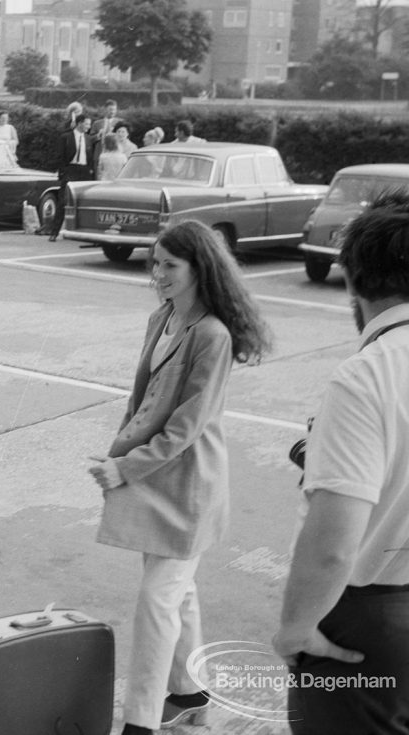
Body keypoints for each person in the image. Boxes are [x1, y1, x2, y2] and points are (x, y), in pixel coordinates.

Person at [89, 220, 270, 735]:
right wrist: (121, 449)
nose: (159, 273)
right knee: (178, 591)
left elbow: (185, 430)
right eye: (156, 262)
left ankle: (141, 721)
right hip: (156, 479)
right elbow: (142, 400)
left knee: (157, 600)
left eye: (171, 264)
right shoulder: (162, 318)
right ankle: (190, 692)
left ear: (199, 268)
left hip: (189, 486)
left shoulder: (211, 335)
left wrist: (122, 467)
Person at [273, 191, 409, 734]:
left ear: (352, 280)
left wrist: (295, 627)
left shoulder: (368, 374)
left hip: (371, 619)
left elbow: (333, 545)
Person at [47, 113, 94, 241]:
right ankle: (54, 232)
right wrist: (63, 172)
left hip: (84, 171)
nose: (88, 127)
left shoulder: (89, 139)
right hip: (70, 170)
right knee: (63, 201)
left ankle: (85, 233)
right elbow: (60, 156)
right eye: (87, 124)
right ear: (79, 123)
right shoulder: (66, 137)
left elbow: (90, 158)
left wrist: (90, 172)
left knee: (84, 202)